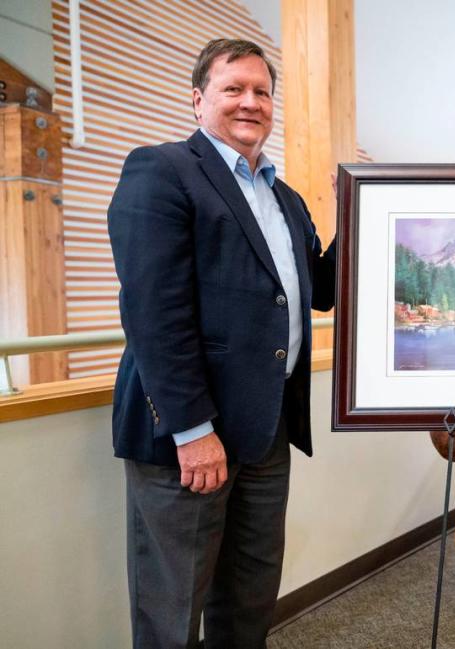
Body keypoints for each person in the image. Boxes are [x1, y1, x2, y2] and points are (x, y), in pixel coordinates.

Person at [107, 38, 336, 648]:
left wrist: (374, 212)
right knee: (173, 609)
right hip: (190, 439)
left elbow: (321, 290)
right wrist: (192, 430)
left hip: (266, 432)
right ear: (198, 99)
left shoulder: (283, 197)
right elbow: (153, 313)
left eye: (262, 91)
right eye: (233, 88)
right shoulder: (162, 170)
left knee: (249, 603)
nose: (250, 102)